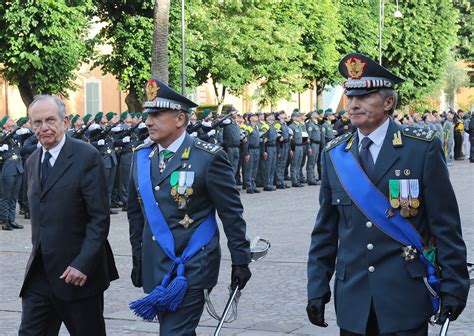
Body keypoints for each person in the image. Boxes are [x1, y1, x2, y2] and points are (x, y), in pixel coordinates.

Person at [307, 53, 470, 335]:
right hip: (353, 298)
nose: (354, 104)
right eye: (350, 97)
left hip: (405, 296)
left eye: (365, 96)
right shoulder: (335, 155)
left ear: (388, 102)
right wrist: (317, 286)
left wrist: (455, 285)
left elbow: (445, 224)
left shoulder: (420, 150)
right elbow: (326, 230)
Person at [127, 79, 251, 335]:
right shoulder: (141, 157)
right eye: (148, 115)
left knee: (174, 333)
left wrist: (240, 260)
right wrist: (138, 257)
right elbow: (135, 214)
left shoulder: (207, 158)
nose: (149, 121)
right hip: (156, 263)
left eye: (157, 114)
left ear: (180, 119)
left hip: (192, 265)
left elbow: (231, 214)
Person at [19, 95, 118, 335]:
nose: (44, 128)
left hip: (77, 275)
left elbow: (99, 218)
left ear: (64, 122)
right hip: (41, 274)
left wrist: (82, 264)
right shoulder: (33, 161)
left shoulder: (86, 156)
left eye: (50, 120)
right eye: (37, 122)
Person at [0, 116, 25, 230]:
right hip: (8, 167)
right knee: (6, 196)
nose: (12, 121)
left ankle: (12, 220)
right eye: (9, 120)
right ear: (4, 125)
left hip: (18, 167)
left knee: (14, 197)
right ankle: (5, 221)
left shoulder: (16, 135)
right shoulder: (2, 136)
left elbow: (30, 134)